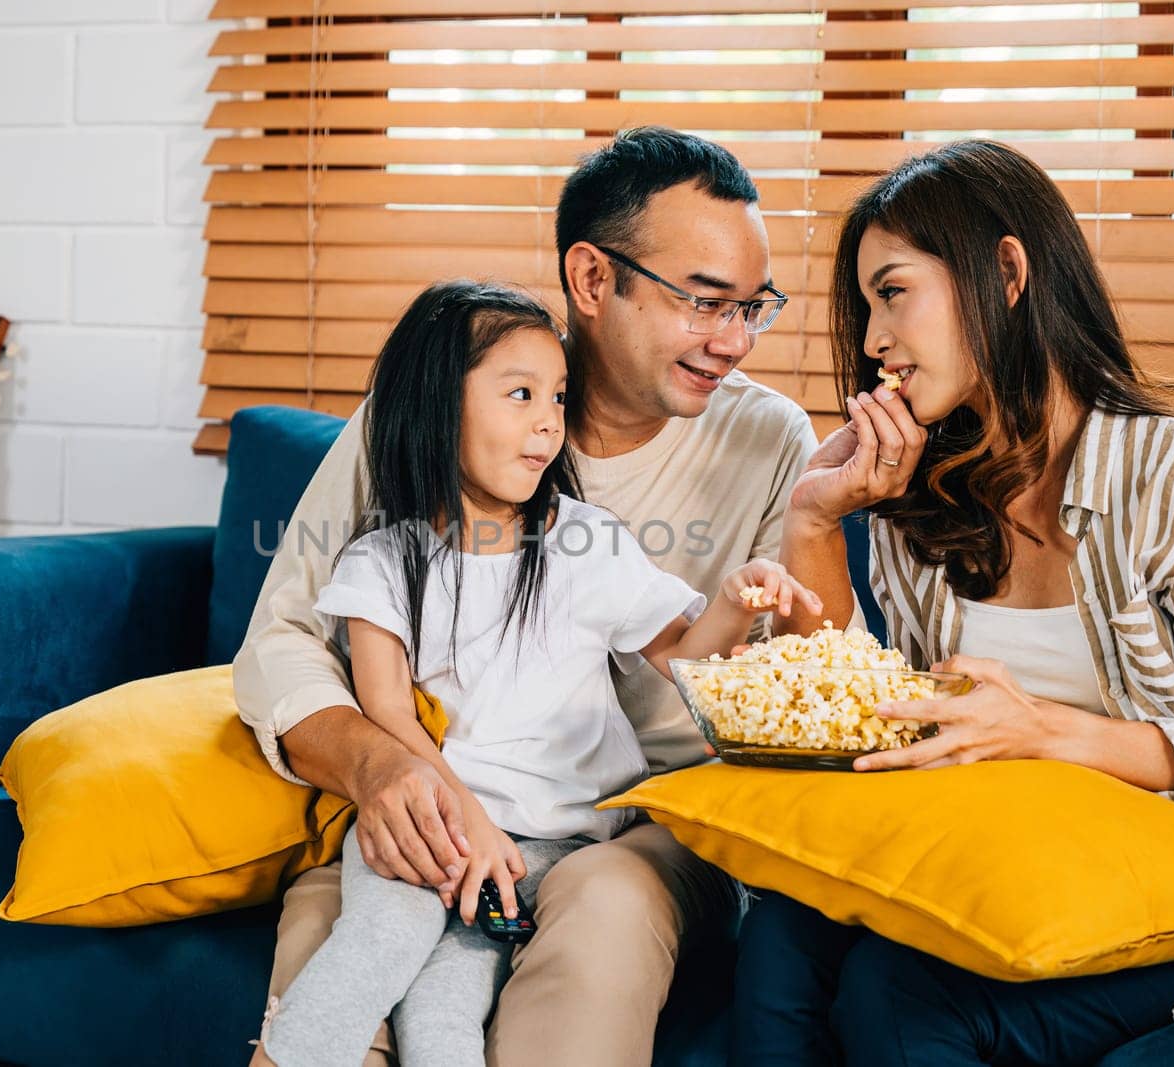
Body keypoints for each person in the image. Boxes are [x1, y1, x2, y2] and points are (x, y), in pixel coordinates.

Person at [235, 127, 848, 1065]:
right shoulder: (428, 412)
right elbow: (281, 639)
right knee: (356, 914)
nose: (733, 339)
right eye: (705, 302)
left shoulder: (768, 441)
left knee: (605, 898)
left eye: (752, 306)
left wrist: (815, 529)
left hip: (644, 826)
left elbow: (800, 702)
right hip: (443, 803)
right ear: (594, 280)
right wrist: (383, 772)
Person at [749, 138, 1174, 1066]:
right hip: (986, 860)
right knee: (782, 934)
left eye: (893, 292)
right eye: (866, 307)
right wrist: (811, 523)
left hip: (1167, 886)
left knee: (900, 998)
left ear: (1005, 272)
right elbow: (852, 723)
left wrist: (1046, 730)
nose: (873, 340)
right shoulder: (921, 507)